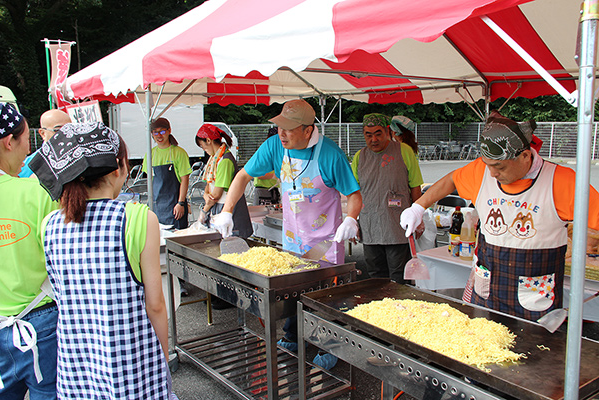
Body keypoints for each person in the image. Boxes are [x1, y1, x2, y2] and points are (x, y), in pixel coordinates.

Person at [400, 110, 599, 321]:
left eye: (499, 167)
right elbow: (452, 180)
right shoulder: (482, 170)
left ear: (525, 156)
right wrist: (418, 207)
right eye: (488, 165)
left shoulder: (562, 181)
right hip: (488, 289)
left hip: (535, 296)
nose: (493, 173)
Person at [212, 99, 362, 370]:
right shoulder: (275, 147)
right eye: (280, 126)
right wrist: (227, 210)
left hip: (326, 241)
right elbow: (243, 176)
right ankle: (294, 337)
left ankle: (332, 346)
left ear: (308, 130)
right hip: (293, 238)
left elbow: (353, 193)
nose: (282, 133)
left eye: (289, 129)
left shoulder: (329, 154)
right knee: (293, 291)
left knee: (327, 298)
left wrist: (351, 218)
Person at [29, 122, 174, 399]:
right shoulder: (139, 218)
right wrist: (163, 357)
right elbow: (155, 305)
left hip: (76, 368)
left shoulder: (49, 224)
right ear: (119, 167)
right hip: (133, 366)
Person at [0, 102, 59, 399]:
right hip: (40, 323)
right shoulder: (37, 193)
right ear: (9, 142)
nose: (27, 150)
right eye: (25, 140)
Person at [352, 113, 424, 283]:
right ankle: (380, 308)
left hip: (398, 225)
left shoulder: (403, 151)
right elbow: (354, 193)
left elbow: (415, 187)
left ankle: (400, 307)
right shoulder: (359, 157)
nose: (373, 139)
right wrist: (352, 220)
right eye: (368, 135)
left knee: (398, 276)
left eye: (378, 133)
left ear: (388, 131)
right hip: (370, 224)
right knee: (375, 274)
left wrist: (419, 217)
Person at [196, 123, 253, 238]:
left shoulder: (225, 160)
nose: (204, 150)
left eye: (203, 146)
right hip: (218, 207)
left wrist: (205, 209)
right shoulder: (214, 159)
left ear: (208, 141)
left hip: (230, 209)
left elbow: (216, 194)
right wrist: (206, 196)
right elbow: (208, 186)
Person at [142, 117, 192, 229]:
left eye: (162, 131)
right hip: (157, 207)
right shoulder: (150, 154)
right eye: (155, 132)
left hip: (175, 206)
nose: (159, 135)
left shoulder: (179, 153)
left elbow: (185, 180)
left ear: (169, 131)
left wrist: (181, 203)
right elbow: (149, 182)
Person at [19, 109, 71, 178]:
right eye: (58, 130)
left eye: (69, 129)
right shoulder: (30, 165)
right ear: (43, 133)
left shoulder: (81, 156)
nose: (65, 134)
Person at [252, 127, 280, 205]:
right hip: (262, 190)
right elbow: (258, 175)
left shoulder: (277, 153)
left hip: (274, 190)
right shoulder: (263, 152)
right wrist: (274, 175)